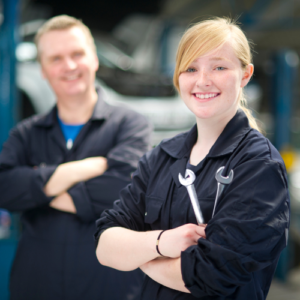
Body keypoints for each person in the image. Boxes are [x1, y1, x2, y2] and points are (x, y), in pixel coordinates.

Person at [95, 17, 290, 300]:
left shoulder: (258, 165)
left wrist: (141, 256)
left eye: (219, 67)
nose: (202, 81)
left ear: (245, 75)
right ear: (178, 76)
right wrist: (164, 242)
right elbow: (105, 246)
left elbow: (211, 277)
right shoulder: (162, 156)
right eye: (191, 68)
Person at [0, 15, 151, 300]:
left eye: (77, 54)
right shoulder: (26, 133)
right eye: (56, 58)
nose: (69, 66)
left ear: (94, 58)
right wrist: (85, 168)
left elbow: (122, 191)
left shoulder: (131, 125)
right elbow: (4, 188)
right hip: (36, 288)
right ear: (42, 69)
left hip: (111, 289)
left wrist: (37, 188)